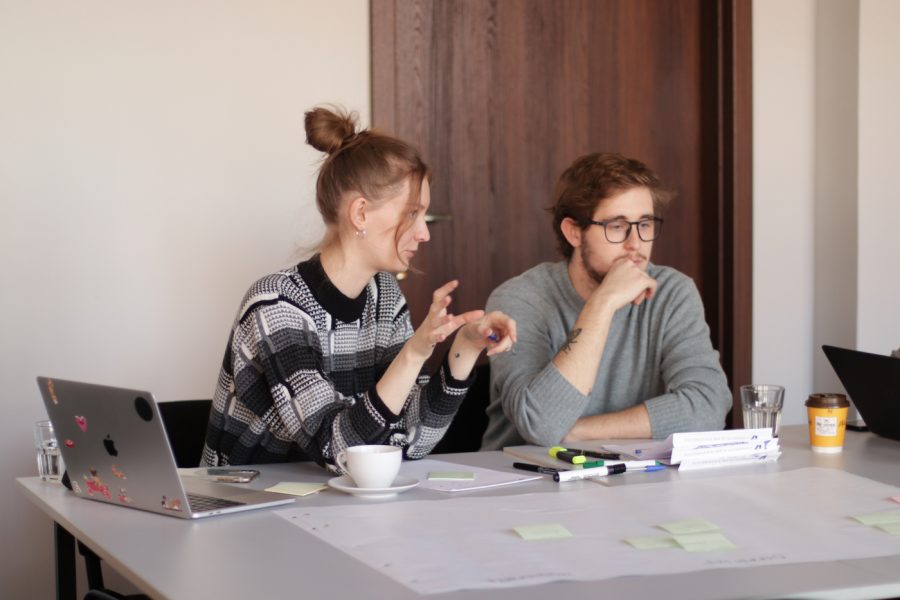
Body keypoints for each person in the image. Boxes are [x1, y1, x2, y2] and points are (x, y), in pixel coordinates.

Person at [203, 106, 516, 471]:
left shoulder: (384, 297)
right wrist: (414, 354)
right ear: (361, 213)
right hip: (247, 499)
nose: (424, 233)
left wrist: (466, 347)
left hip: (331, 497)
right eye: (412, 213)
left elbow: (413, 440)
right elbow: (337, 450)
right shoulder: (276, 306)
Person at [481, 152, 731, 450]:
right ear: (574, 232)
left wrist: (578, 432)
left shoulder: (672, 292)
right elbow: (541, 425)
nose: (635, 244)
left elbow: (709, 406)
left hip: (629, 472)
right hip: (519, 474)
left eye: (645, 224)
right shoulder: (519, 298)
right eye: (617, 226)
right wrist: (603, 303)